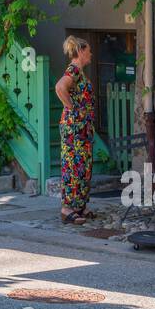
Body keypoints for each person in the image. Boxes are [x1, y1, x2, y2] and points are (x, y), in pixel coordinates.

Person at [54, 35, 96, 225]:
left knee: (83, 166)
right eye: (88, 51)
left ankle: (79, 205)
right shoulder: (74, 70)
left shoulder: (79, 72)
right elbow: (60, 87)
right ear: (80, 51)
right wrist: (72, 109)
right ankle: (67, 209)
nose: (91, 54)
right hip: (74, 128)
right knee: (73, 166)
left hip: (82, 128)